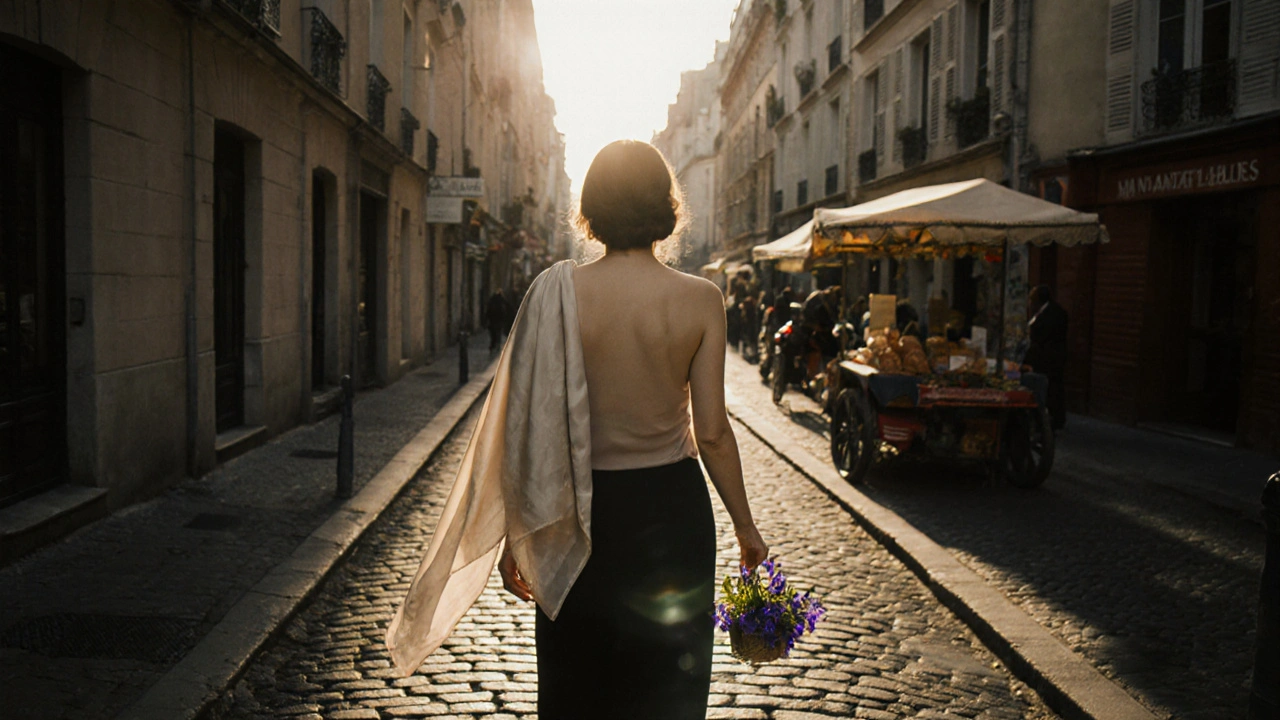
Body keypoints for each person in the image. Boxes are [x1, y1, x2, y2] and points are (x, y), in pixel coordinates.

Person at [385, 140, 768, 720]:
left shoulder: (555, 291)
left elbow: (522, 424)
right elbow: (711, 432)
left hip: (576, 515)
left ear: (592, 208)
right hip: (671, 512)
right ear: (667, 207)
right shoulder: (700, 300)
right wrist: (746, 526)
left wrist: (518, 530)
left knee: (575, 688)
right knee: (666, 688)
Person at [1024, 284, 1069, 430]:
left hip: (1050, 359)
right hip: (1047, 357)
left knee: (1052, 388)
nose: (1029, 303)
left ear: (1038, 301)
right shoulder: (1046, 312)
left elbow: (1042, 338)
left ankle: (1052, 419)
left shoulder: (1053, 315)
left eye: (1031, 300)